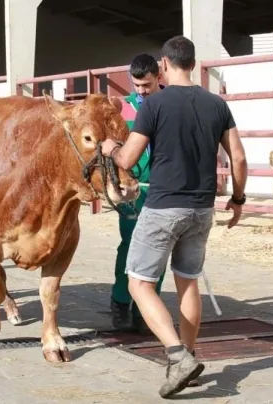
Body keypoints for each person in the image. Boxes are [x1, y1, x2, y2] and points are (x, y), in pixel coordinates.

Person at [101, 35, 248, 398]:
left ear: (164, 65)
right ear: (193, 64)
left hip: (164, 206)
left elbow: (128, 159)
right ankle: (191, 360)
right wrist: (238, 199)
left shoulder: (154, 104)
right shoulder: (217, 104)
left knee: (139, 284)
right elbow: (239, 158)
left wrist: (111, 148)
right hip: (202, 208)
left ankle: (177, 354)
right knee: (188, 282)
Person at [111, 53, 167, 333]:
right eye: (137, 85)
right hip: (134, 188)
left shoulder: (171, 104)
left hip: (164, 188)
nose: (142, 91)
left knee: (159, 248)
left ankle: (146, 308)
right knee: (130, 244)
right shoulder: (122, 109)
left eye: (147, 85)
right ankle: (120, 301)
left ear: (159, 77)